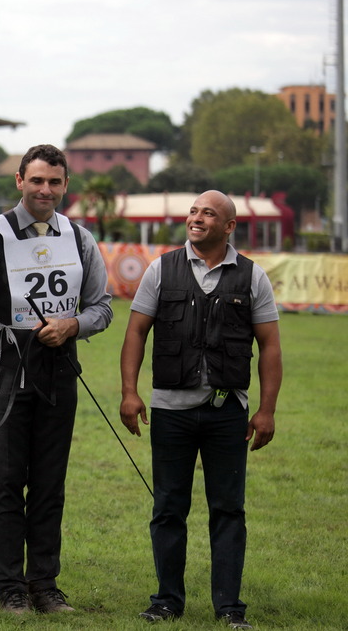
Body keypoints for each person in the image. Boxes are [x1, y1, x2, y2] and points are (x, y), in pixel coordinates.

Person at [0, 144, 113, 615]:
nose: (45, 190)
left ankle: (45, 584)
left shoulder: (80, 238)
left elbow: (103, 307)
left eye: (54, 182)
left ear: (65, 186)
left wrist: (73, 325)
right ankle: (11, 588)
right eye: (36, 181)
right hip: (5, 370)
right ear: (19, 181)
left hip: (60, 369)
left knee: (50, 483)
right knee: (6, 482)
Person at [119, 190, 282, 630]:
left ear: (229, 226)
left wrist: (266, 410)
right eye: (193, 211)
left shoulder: (252, 277)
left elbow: (269, 346)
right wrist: (129, 392)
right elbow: (136, 332)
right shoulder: (161, 269)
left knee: (228, 510)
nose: (197, 218)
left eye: (208, 213)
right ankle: (166, 601)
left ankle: (230, 607)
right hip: (169, 412)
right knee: (169, 508)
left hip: (228, 412)